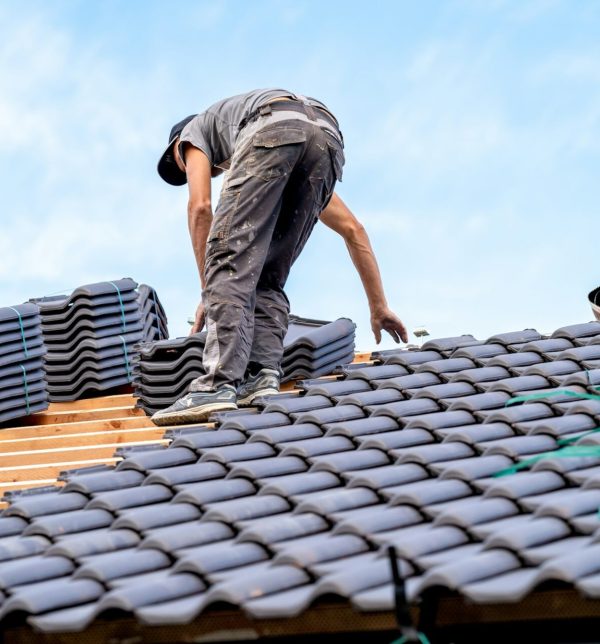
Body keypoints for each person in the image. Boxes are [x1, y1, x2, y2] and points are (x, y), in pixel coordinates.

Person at [152, 89, 407, 426]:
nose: (211, 172)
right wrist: (379, 305)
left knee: (228, 257)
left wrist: (209, 286)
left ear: (179, 151)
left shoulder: (193, 134)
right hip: (325, 139)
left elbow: (200, 208)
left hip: (272, 131)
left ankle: (217, 385)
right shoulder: (269, 146)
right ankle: (261, 375)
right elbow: (354, 230)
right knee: (267, 272)